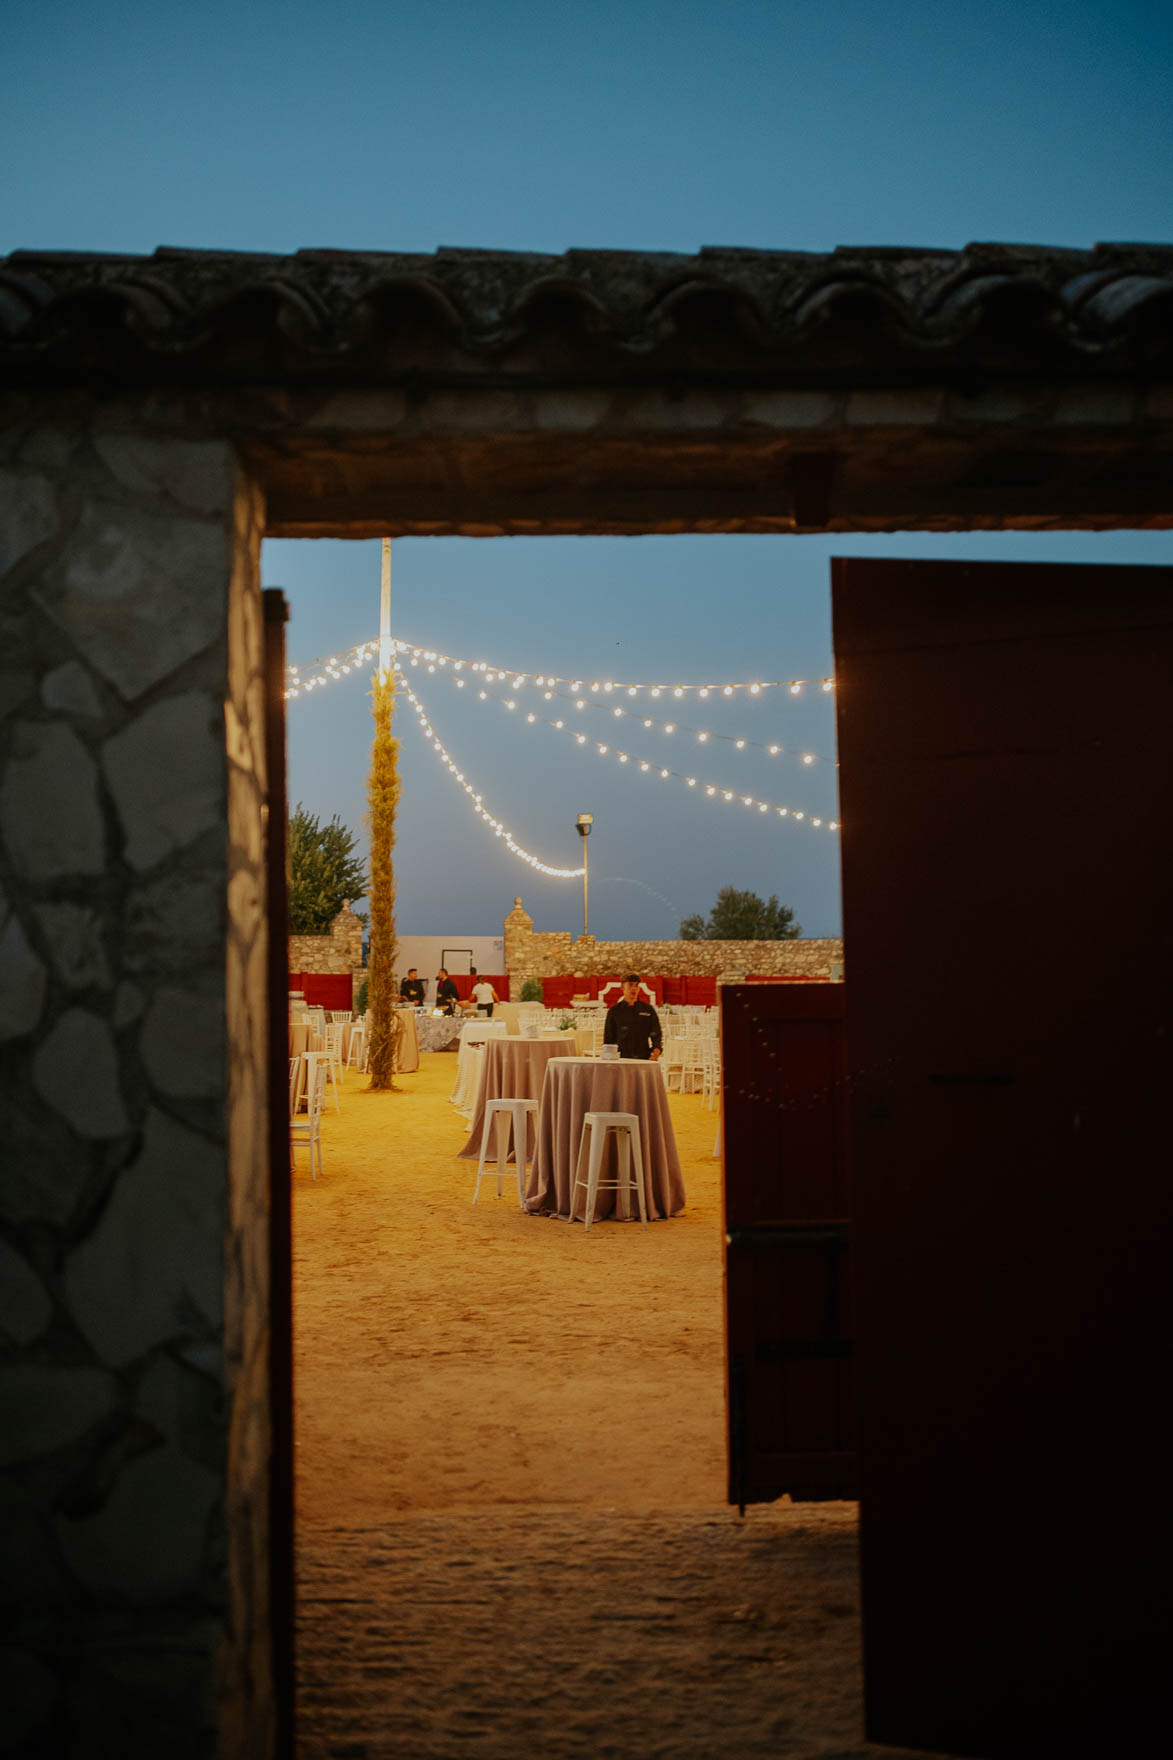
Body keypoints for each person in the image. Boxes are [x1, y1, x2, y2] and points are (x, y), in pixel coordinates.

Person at [603, 973, 662, 1061]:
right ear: (622, 987)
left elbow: (656, 1033)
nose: (633, 989)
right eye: (630, 985)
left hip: (643, 1056)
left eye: (636, 985)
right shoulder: (614, 1011)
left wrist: (655, 1053)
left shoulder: (648, 1009)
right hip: (621, 1058)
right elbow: (608, 1038)